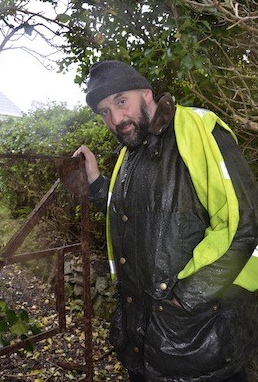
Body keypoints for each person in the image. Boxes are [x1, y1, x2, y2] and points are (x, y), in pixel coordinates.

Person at [73, 60, 258, 382]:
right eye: (104, 111)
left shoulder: (197, 128)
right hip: (143, 336)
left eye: (121, 101)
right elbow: (136, 215)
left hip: (200, 340)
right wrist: (96, 183)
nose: (116, 119)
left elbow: (244, 223)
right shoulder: (131, 152)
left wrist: (182, 299)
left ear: (146, 94)